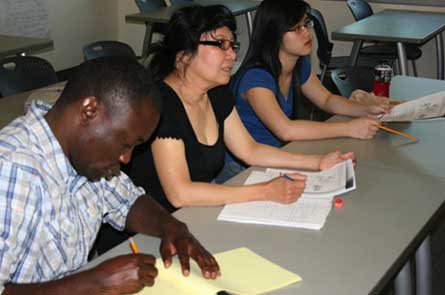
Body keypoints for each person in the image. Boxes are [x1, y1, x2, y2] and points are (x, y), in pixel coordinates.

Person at [0, 57, 220, 295]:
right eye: (125, 143)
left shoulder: (87, 158)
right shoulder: (13, 169)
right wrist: (94, 285)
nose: (126, 158)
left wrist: (172, 228)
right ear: (89, 111)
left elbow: (128, 202)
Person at [124, 5, 355, 213]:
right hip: (152, 229)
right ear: (184, 54)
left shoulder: (215, 92)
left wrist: (318, 162)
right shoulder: (162, 103)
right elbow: (180, 194)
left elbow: (250, 150)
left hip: (193, 215)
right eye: (220, 45)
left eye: (232, 45)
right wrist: (264, 191)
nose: (232, 55)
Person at [217, 0, 390, 182]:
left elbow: (327, 100)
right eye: (296, 28)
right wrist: (348, 128)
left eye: (307, 24)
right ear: (275, 34)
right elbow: (286, 130)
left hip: (276, 154)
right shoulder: (256, 78)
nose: (307, 32)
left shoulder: (298, 64)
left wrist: (365, 110)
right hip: (242, 168)